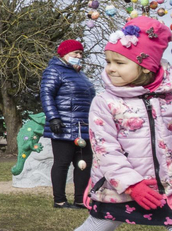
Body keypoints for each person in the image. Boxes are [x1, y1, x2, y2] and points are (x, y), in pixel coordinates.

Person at [75, 16, 172, 230]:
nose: (110, 68)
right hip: (119, 187)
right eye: (108, 61)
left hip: (167, 187)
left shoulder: (168, 98)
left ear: (146, 67)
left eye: (119, 62)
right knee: (98, 226)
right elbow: (105, 148)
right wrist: (131, 184)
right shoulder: (105, 102)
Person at [41, 39, 96, 209]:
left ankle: (81, 199)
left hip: (82, 127)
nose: (79, 56)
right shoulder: (54, 71)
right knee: (62, 163)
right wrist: (53, 117)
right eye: (75, 53)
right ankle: (60, 200)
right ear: (64, 54)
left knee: (84, 163)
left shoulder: (81, 75)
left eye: (80, 53)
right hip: (63, 126)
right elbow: (46, 94)